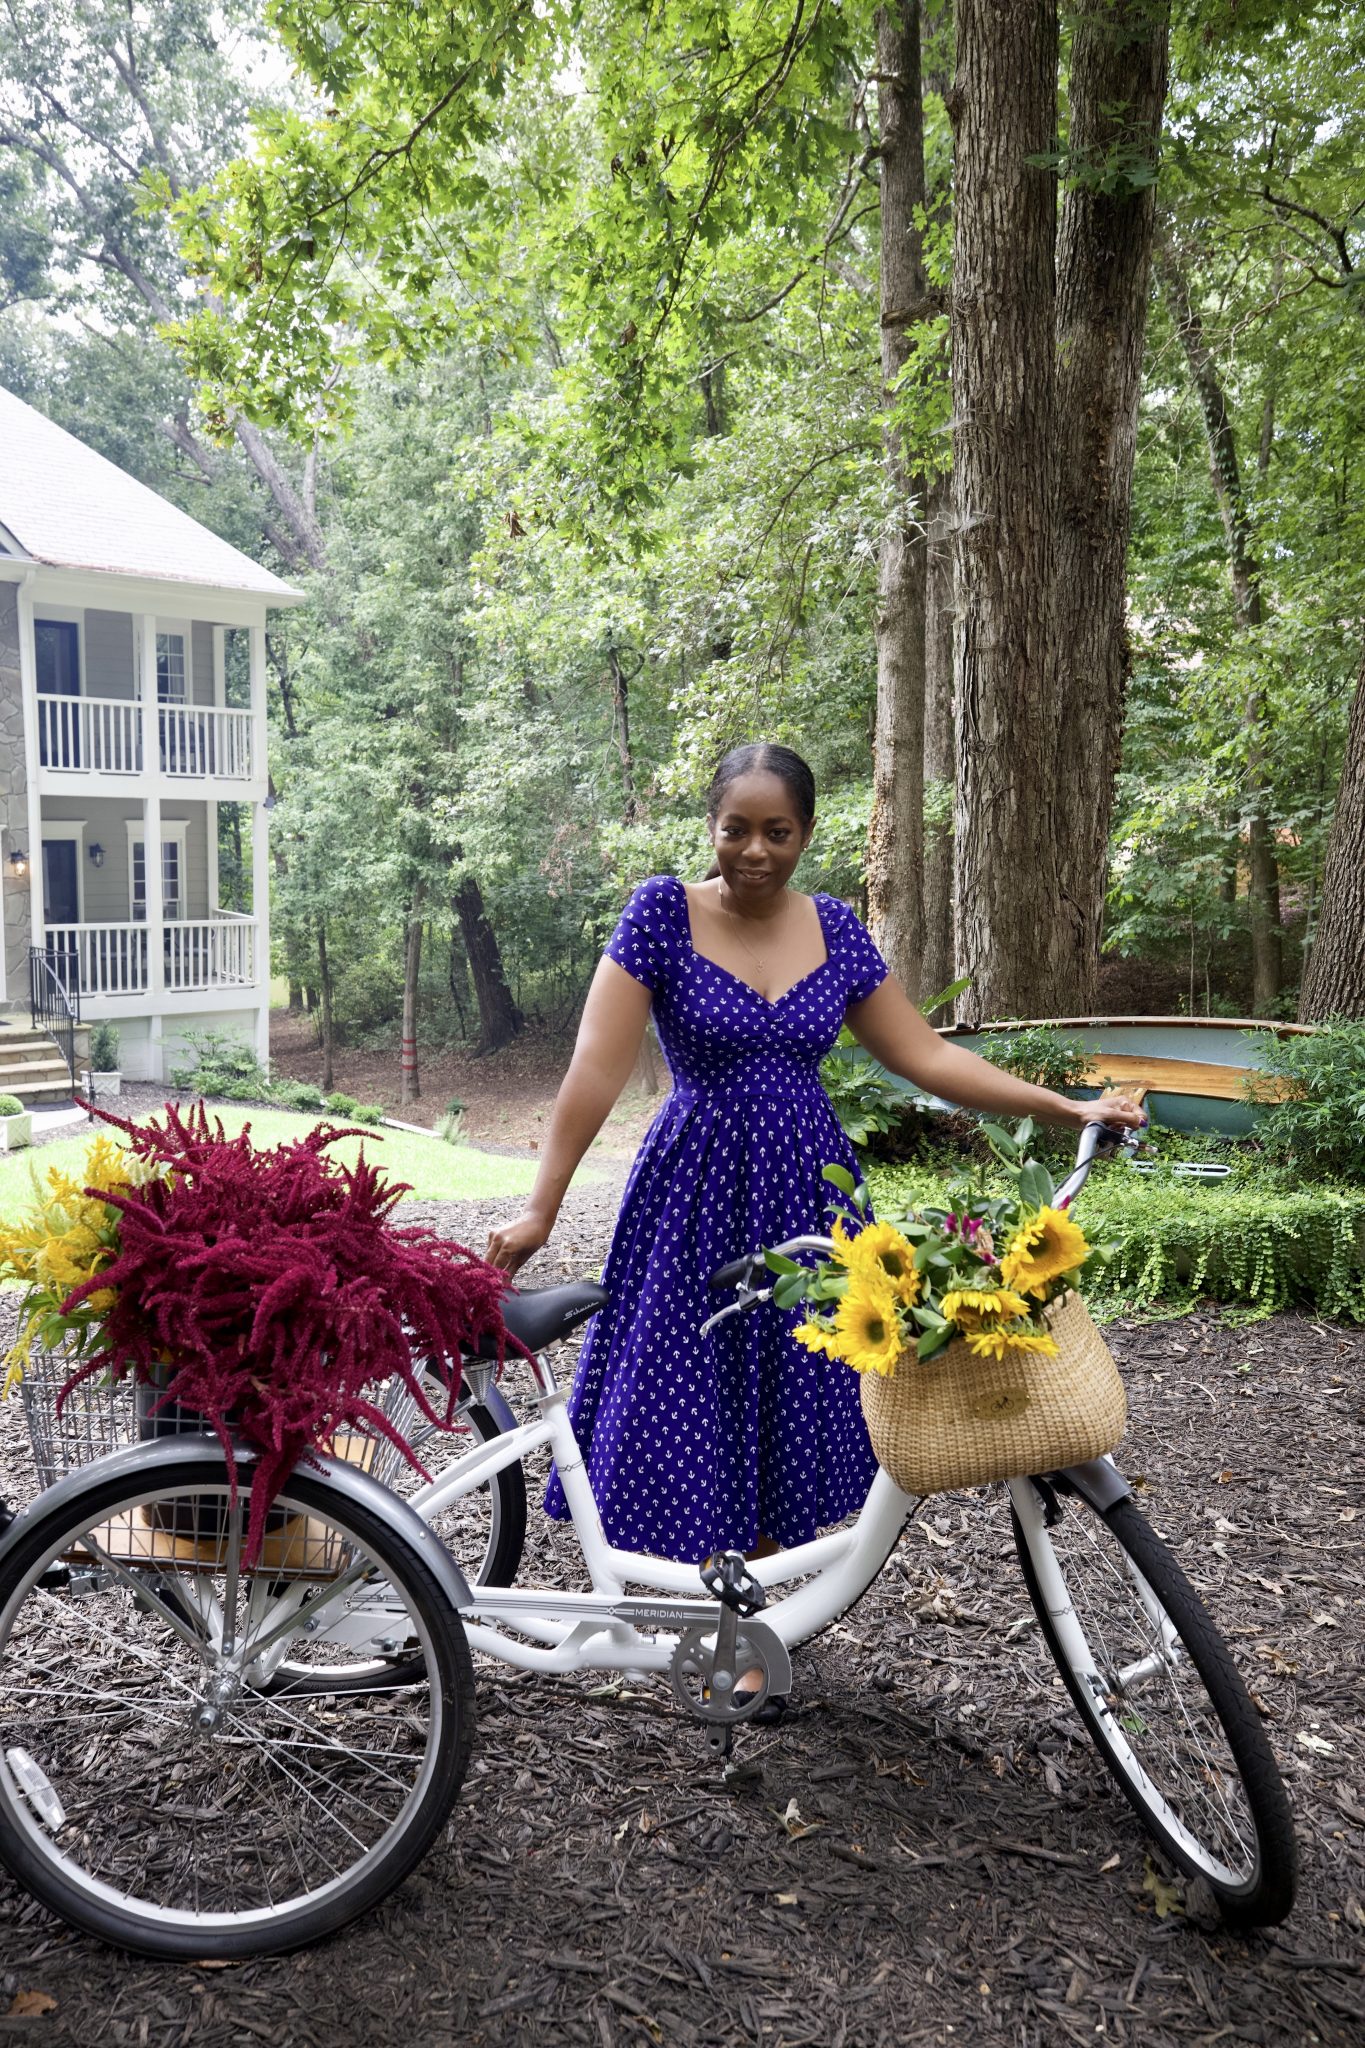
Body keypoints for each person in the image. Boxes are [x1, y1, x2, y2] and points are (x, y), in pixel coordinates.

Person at [486, 742, 1144, 1571]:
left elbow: (927, 1057)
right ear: (711, 827)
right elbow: (595, 1067)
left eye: (777, 831)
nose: (753, 850)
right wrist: (541, 1206)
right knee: (692, 1381)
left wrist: (1064, 1106)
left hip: (809, 1187)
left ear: (803, 835)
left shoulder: (834, 928)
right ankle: (696, 1592)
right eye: (735, 829)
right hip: (695, 1188)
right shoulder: (661, 914)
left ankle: (757, 1597)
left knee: (794, 1384)